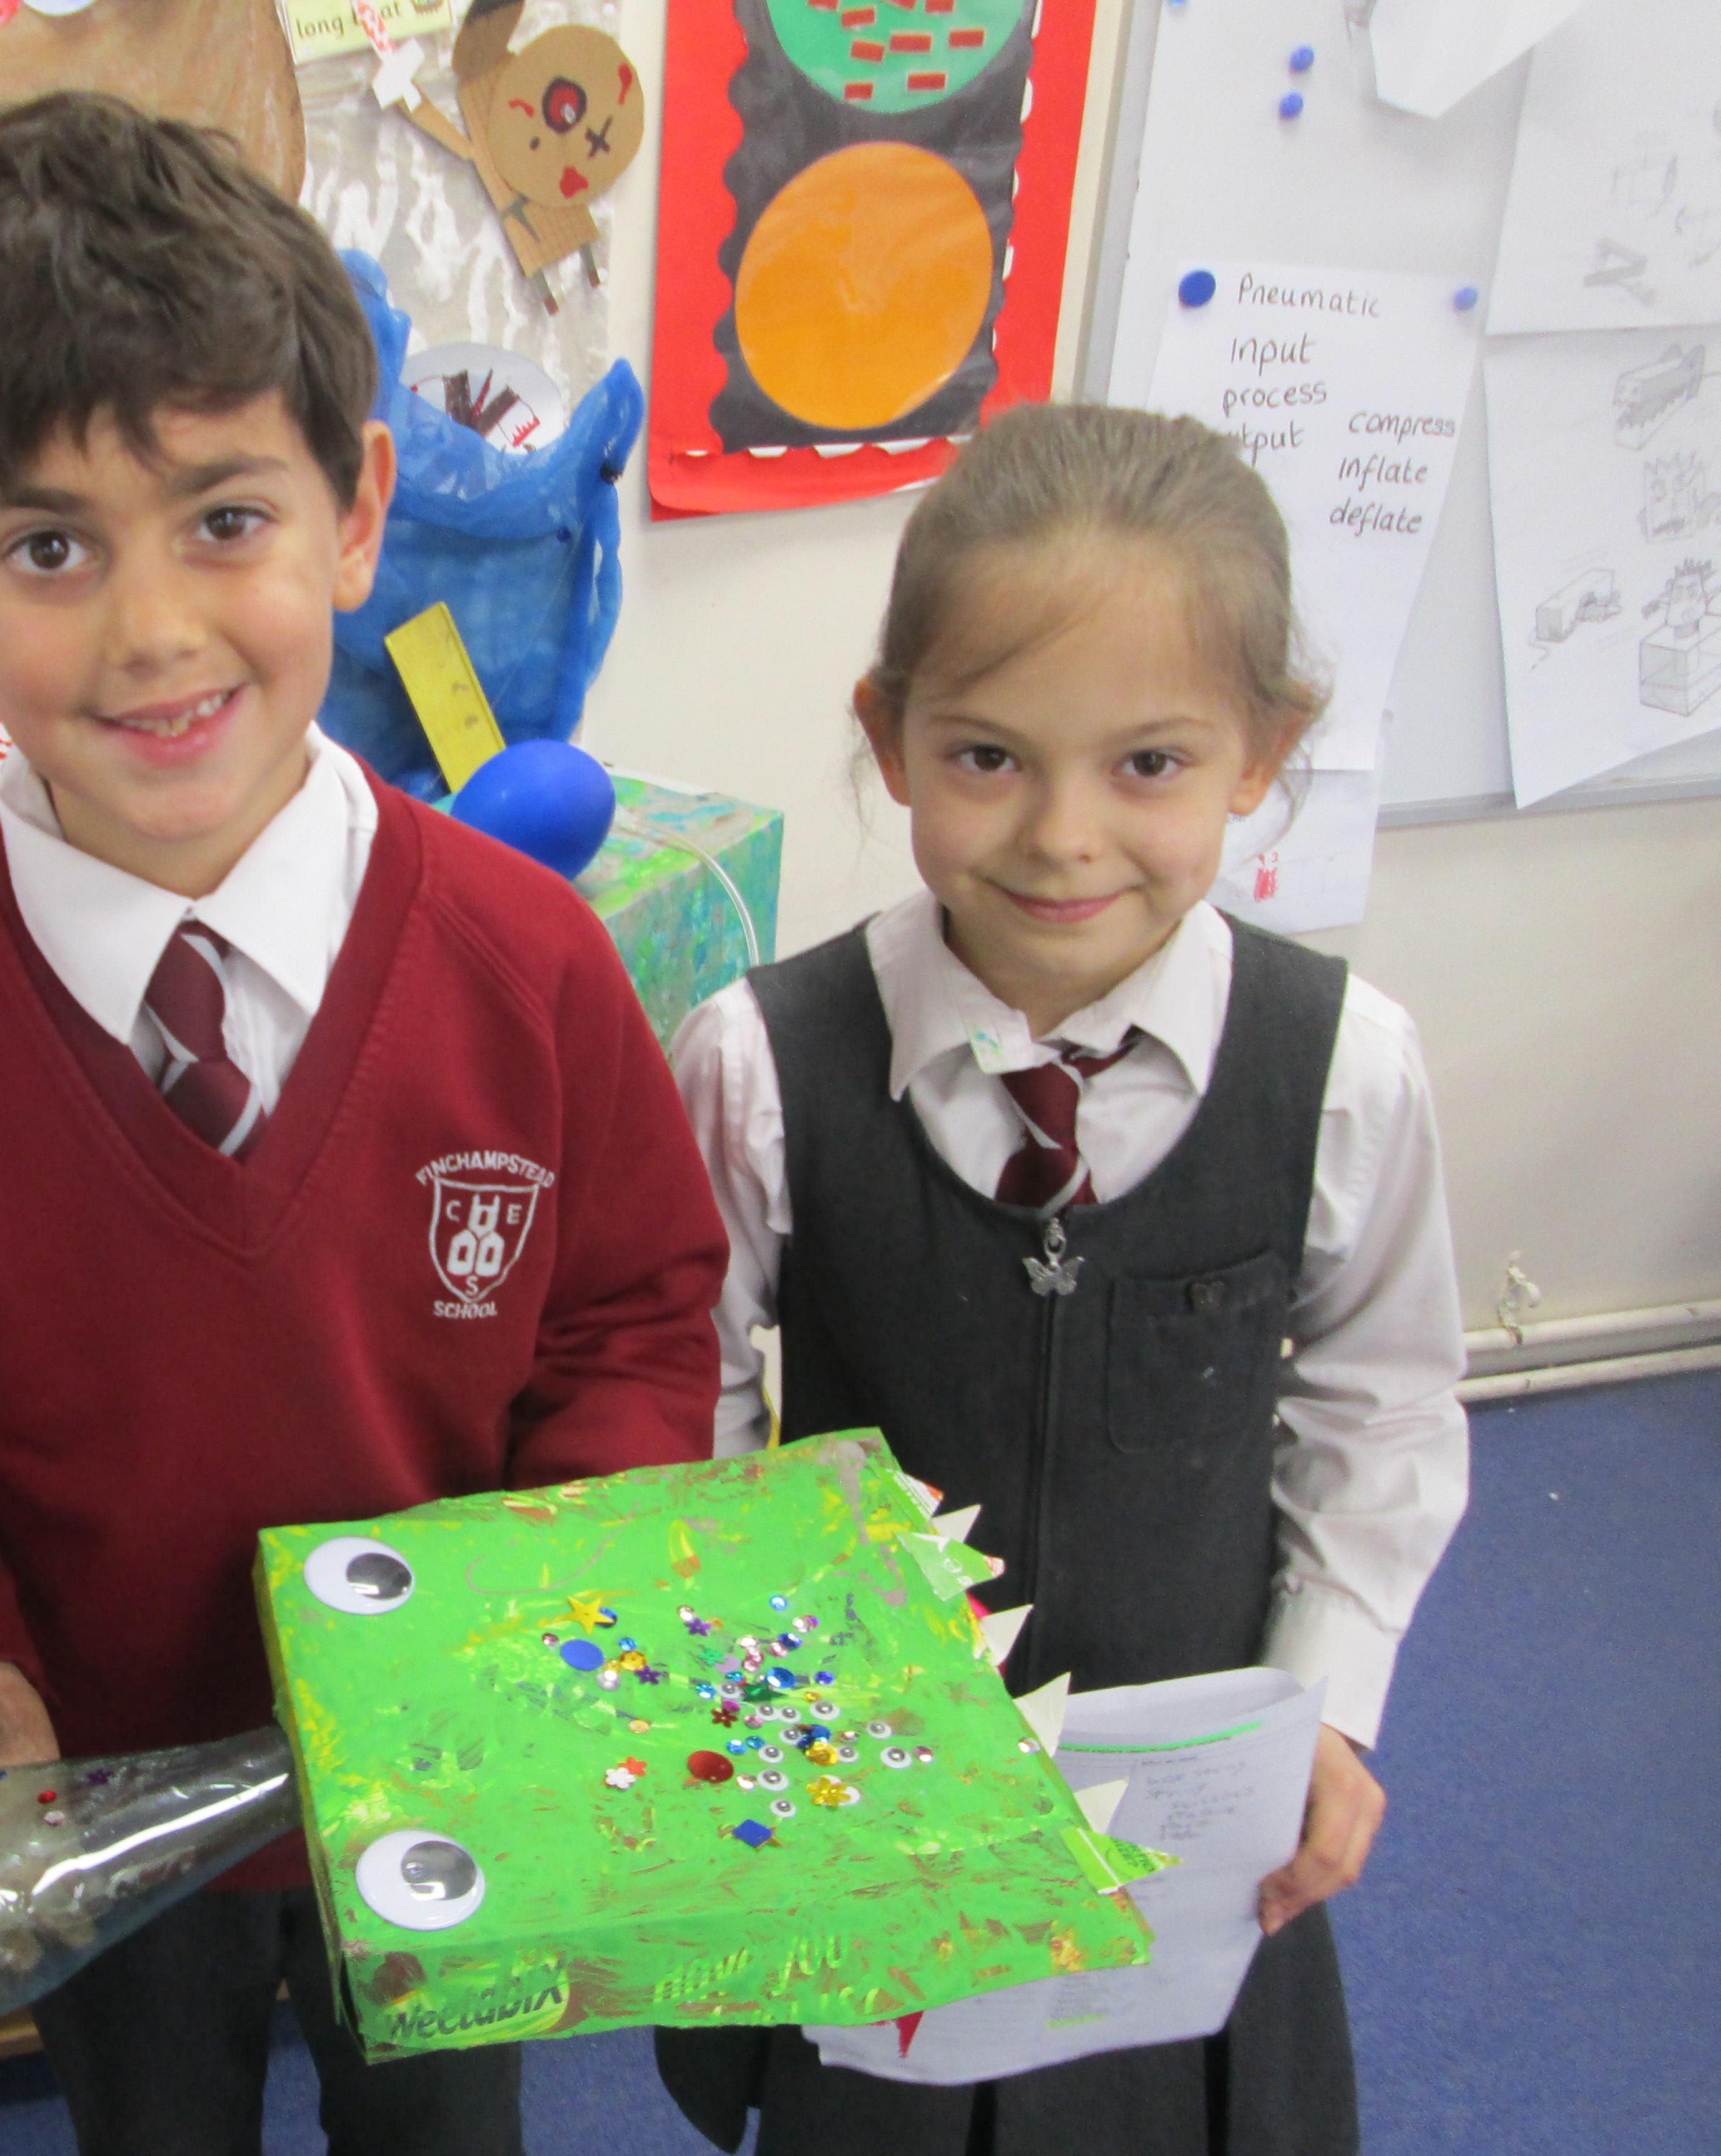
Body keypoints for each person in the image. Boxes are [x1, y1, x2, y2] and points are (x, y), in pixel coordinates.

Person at [0, 92, 728, 2156]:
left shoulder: (531, 968)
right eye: (48, 549)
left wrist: (548, 1612)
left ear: (357, 513)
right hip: (91, 1806)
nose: (154, 632)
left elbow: (634, 1320)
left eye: (224, 520)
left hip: (458, 1771)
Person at [658, 403, 1468, 2156]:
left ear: (1265, 752)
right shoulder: (758, 1059)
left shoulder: (1344, 1068)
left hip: (1202, 1835)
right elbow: (688, 1405)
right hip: (874, 1814)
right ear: (888, 737)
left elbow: (1383, 1404)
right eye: (990, 757)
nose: (1063, 837)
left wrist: (1328, 1704)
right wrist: (761, 1710)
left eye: (1150, 764)